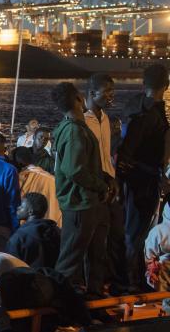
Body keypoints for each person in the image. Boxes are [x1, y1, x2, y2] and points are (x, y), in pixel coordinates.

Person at [53, 81, 113, 296]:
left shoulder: (74, 128)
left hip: (90, 202)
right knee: (70, 261)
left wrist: (104, 178)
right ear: (78, 99)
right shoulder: (73, 131)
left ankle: (93, 303)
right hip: (80, 204)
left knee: (96, 256)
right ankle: (60, 312)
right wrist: (101, 185)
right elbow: (74, 170)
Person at [118, 64, 170, 291]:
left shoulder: (137, 110)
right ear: (166, 86)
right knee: (136, 233)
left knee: (136, 232)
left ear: (143, 83)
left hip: (138, 180)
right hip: (143, 182)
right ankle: (133, 282)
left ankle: (134, 277)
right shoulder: (150, 115)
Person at [84, 73, 129, 292]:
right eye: (108, 91)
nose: (113, 95)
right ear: (92, 93)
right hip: (94, 190)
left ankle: (110, 284)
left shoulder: (105, 119)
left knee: (116, 237)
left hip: (110, 187)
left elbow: (106, 155)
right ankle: (92, 291)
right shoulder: (82, 120)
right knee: (94, 245)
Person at [6, 192, 60, 270]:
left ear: (30, 212)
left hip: (26, 280)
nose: (18, 207)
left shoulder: (19, 237)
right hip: (50, 280)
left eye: (21, 206)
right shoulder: (56, 233)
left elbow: (10, 266)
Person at [13, 145, 62, 226]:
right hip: (52, 224)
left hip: (30, 226)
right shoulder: (51, 178)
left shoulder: (23, 177)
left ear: (18, 162)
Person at [144, 200, 170, 291]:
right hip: (164, 272)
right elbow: (150, 261)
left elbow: (149, 256)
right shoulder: (158, 231)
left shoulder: (157, 231)